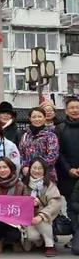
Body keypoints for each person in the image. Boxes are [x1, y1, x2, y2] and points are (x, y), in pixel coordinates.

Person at [0, 157, 27, 253]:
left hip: (15, 220)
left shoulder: (20, 185)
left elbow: (25, 204)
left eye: (5, 167)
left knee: (13, 234)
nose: (2, 170)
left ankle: (16, 241)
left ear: (11, 168)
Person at [23, 158, 61, 257]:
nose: (37, 171)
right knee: (32, 237)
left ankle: (50, 245)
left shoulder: (50, 185)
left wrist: (40, 210)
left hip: (45, 217)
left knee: (43, 222)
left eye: (40, 168)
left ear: (44, 170)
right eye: (34, 168)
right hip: (29, 217)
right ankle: (39, 242)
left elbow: (55, 203)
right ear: (29, 169)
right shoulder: (24, 184)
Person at [56, 97, 79, 233]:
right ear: (66, 110)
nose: (75, 110)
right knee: (72, 206)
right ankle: (75, 236)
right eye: (72, 108)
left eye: (77, 107)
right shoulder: (60, 128)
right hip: (67, 174)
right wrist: (68, 169)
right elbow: (58, 153)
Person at [19, 107, 59, 181]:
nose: (37, 119)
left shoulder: (50, 135)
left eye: (40, 116)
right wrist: (24, 166)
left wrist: (35, 167)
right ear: (30, 119)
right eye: (34, 117)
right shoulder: (25, 135)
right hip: (28, 175)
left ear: (44, 118)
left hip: (46, 175)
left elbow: (53, 156)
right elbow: (21, 154)